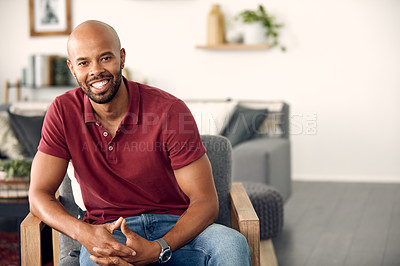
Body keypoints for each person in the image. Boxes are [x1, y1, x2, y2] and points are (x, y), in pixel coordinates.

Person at [29, 20, 251, 266]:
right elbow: (39, 194)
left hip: (178, 229)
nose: (95, 71)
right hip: (110, 233)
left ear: (122, 58)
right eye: (84, 62)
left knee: (232, 244)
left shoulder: (169, 111)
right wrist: (85, 233)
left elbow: (206, 202)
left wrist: (158, 248)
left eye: (105, 58)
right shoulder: (62, 112)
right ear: (72, 68)